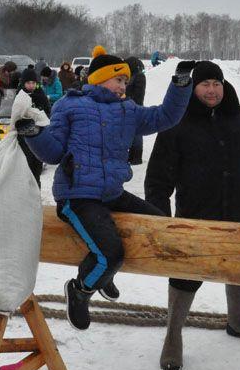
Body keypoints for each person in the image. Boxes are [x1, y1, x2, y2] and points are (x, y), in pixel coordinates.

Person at [18, 46, 193, 331]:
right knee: (110, 253)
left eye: (125, 81)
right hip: (78, 196)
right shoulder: (69, 105)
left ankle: (104, 275)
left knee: (158, 223)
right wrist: (34, 135)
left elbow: (165, 117)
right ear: (100, 80)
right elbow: (52, 153)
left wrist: (181, 84)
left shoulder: (126, 110)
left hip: (111, 193)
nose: (124, 85)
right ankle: (81, 289)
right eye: (119, 80)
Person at [145, 61, 240, 370]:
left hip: (238, 211)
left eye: (216, 83)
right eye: (205, 84)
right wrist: (159, 217)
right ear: (194, 88)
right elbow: (158, 177)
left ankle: (239, 321)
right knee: (185, 274)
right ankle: (173, 335)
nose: (212, 90)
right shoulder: (177, 123)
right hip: (194, 216)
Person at [17, 68, 50, 186]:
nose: (31, 85)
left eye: (33, 83)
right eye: (28, 83)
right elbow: (16, 115)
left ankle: (35, 195)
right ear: (23, 83)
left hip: (38, 137)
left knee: (36, 171)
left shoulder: (40, 95)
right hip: (23, 138)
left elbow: (47, 114)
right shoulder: (20, 95)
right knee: (24, 170)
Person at [124, 56, 147, 165]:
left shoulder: (139, 76)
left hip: (136, 107)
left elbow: (139, 94)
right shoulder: (132, 76)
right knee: (131, 133)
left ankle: (137, 157)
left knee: (137, 134)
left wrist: (132, 104)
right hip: (130, 106)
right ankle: (131, 155)